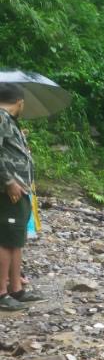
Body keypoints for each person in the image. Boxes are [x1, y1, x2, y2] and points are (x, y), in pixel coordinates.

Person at [0, 83, 43, 310]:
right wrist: (8, 182)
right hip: (9, 191)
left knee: (16, 240)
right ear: (20, 102)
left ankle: (16, 289)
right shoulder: (1, 118)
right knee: (6, 241)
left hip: (21, 189)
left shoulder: (9, 122)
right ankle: (2, 292)